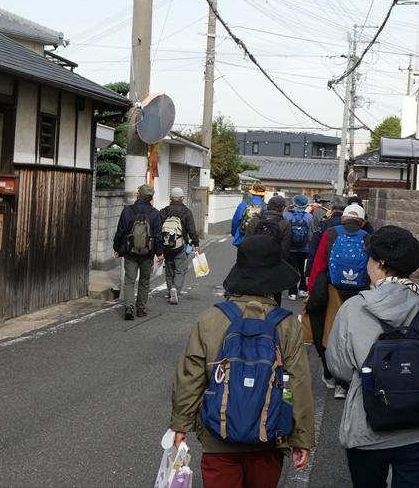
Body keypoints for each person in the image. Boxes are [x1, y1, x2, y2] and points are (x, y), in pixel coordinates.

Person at [169, 235, 314, 488]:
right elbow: (296, 383)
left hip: (218, 437)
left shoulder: (210, 318)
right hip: (269, 438)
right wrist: (301, 437)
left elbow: (190, 376)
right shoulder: (287, 323)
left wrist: (182, 423)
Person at [325, 226, 419, 488]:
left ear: (380, 264)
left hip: (367, 429)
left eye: (369, 258)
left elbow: (338, 368)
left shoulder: (354, 307)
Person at [306, 203, 371, 400]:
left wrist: (312, 292)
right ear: (363, 222)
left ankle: (330, 373)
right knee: (352, 335)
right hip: (359, 292)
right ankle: (345, 382)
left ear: (343, 218)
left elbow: (319, 263)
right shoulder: (368, 237)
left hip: (331, 289)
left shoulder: (331, 233)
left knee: (329, 331)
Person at [113, 183, 164, 320]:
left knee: (129, 280)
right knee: (144, 281)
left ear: (139, 194)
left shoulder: (128, 211)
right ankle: (141, 308)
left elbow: (120, 232)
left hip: (130, 251)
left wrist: (117, 248)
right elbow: (158, 236)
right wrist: (159, 253)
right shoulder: (155, 213)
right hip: (148, 252)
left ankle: (129, 307)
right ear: (151, 197)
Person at [245, 195, 292, 304]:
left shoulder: (255, 220)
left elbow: (246, 244)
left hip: (254, 266)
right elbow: (284, 251)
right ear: (282, 209)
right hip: (274, 266)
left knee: (253, 296)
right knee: (275, 298)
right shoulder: (285, 224)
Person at [159, 187, 201, 305]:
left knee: (169, 268)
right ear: (182, 198)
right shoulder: (187, 212)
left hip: (166, 245)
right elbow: (191, 230)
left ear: (170, 197)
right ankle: (175, 290)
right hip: (180, 246)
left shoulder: (163, 211)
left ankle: (170, 291)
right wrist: (196, 244)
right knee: (180, 269)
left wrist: (158, 248)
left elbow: (157, 229)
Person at [284, 194, 313, 301]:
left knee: (292, 269)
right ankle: (303, 289)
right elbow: (311, 233)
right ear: (305, 205)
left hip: (290, 248)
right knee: (303, 269)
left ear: (294, 203)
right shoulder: (309, 216)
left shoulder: (287, 215)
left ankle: (292, 292)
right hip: (305, 248)